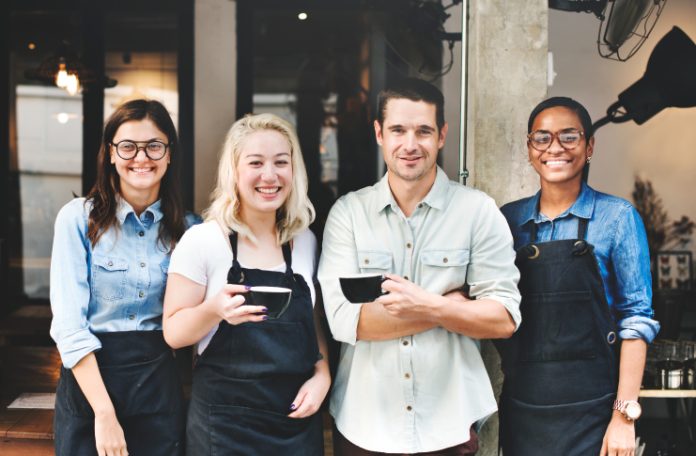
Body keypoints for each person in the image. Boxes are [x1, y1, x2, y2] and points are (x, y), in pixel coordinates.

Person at [317, 78, 522, 455]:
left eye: (423, 131)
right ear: (379, 133)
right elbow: (345, 321)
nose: (410, 145)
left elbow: (504, 318)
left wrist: (427, 305)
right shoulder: (348, 214)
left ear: (442, 135)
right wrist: (453, 307)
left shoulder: (478, 212)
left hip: (448, 425)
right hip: (365, 425)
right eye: (398, 130)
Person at [498, 97, 660, 456]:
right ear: (529, 148)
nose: (555, 147)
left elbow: (636, 320)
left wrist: (624, 417)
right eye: (542, 137)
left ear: (589, 146)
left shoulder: (618, 218)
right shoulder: (508, 221)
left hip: (596, 410)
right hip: (524, 408)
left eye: (569, 137)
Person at [162, 113, 331, 455]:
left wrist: (322, 374)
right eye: (256, 163)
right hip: (224, 427)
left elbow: (311, 323)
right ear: (234, 172)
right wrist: (214, 310)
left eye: (281, 163)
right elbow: (173, 332)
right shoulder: (203, 241)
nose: (270, 175)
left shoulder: (305, 241)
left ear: (294, 171)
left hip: (294, 422)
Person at [50, 99, 198, 456]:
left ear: (169, 154)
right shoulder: (77, 220)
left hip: (158, 389)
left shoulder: (191, 231)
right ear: (111, 154)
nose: (141, 157)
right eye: (128, 146)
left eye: (154, 146)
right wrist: (104, 413)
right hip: (90, 390)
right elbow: (69, 326)